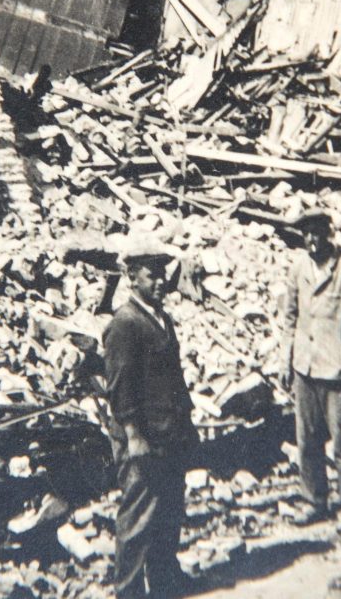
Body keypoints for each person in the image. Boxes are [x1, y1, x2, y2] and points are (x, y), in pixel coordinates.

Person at [103, 251, 197, 599]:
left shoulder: (160, 318)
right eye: (150, 275)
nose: (160, 282)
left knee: (169, 510)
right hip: (143, 435)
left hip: (169, 431)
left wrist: (186, 422)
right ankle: (128, 590)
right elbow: (119, 384)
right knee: (138, 515)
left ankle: (165, 582)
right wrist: (132, 435)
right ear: (132, 279)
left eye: (162, 274)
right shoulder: (126, 322)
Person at [280, 209, 341, 526]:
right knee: (307, 442)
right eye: (306, 234)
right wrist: (285, 359)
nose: (311, 240)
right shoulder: (299, 268)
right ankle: (314, 500)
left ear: (328, 233)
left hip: (336, 372)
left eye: (317, 233)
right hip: (305, 368)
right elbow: (289, 318)